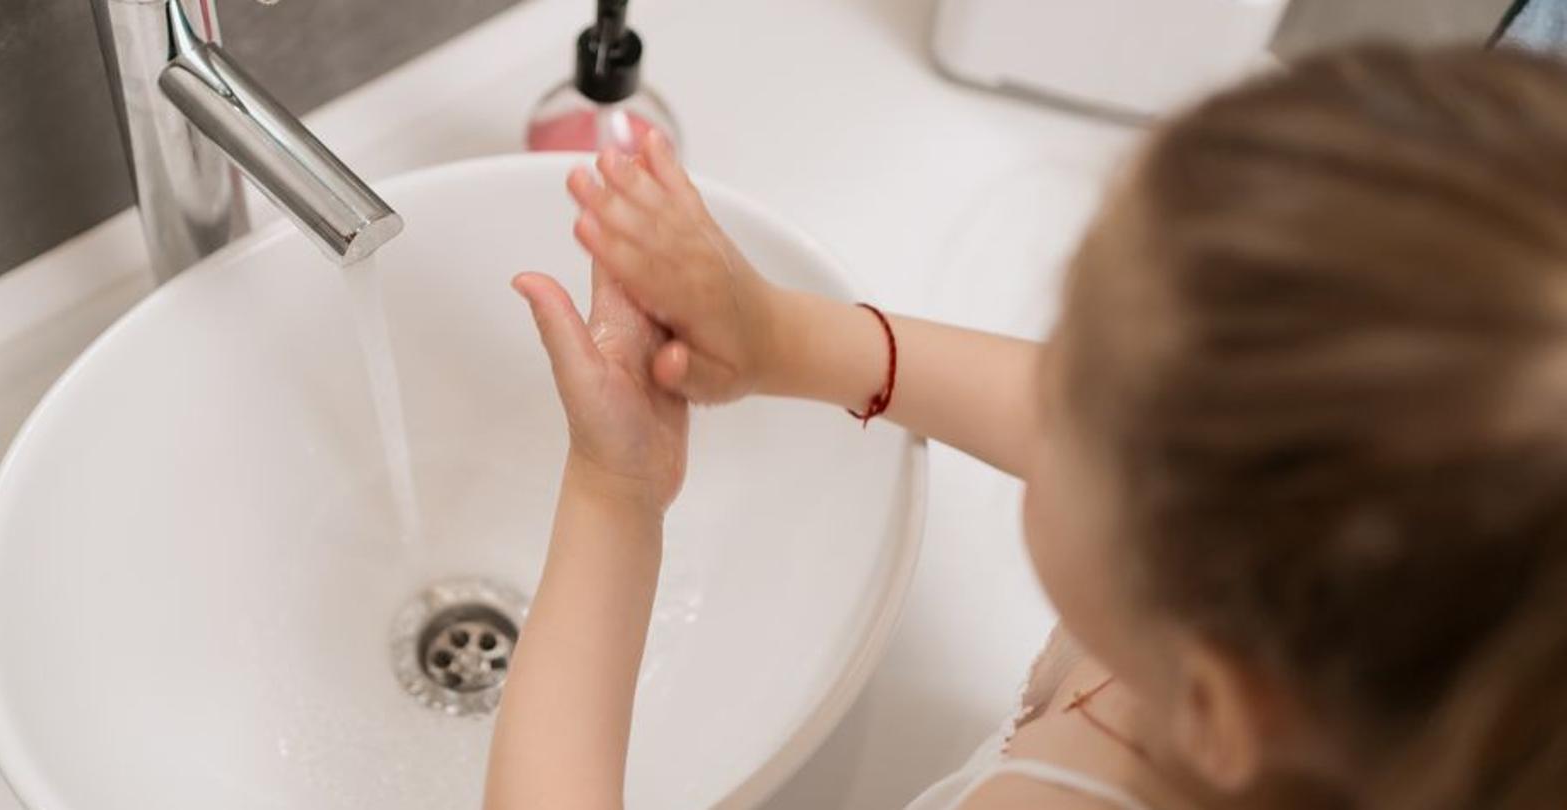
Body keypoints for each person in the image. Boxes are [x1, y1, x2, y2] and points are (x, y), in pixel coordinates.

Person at [484, 46, 1567, 810]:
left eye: (1081, 383)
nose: (1047, 387)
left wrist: (613, 496)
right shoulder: (1345, 636)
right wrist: (786, 340)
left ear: (1220, 697)